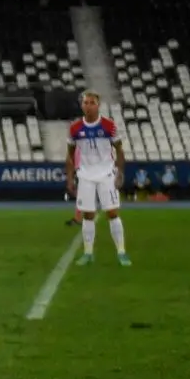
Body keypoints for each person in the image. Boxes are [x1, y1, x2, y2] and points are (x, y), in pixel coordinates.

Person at [65, 90, 130, 266]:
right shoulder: (75, 128)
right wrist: (70, 178)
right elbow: (70, 155)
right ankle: (88, 253)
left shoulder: (109, 125)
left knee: (112, 213)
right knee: (88, 215)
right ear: (82, 105)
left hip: (106, 174)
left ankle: (121, 251)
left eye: (92, 102)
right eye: (85, 103)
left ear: (98, 105)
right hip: (85, 175)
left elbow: (119, 150)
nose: (88, 106)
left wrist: (120, 173)